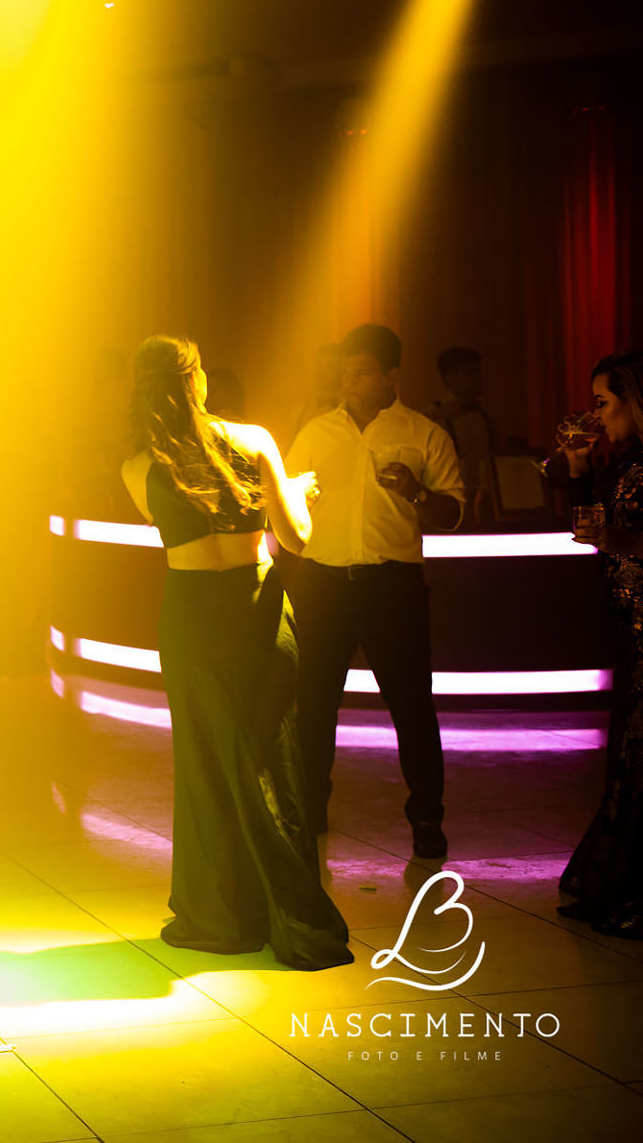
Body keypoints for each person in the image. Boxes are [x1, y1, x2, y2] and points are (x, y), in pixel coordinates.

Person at [121, 336, 352, 971]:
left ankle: (221, 915)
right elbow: (295, 539)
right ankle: (297, 920)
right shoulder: (254, 440)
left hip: (192, 619)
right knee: (273, 761)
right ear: (197, 380)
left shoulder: (137, 467)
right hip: (258, 612)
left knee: (204, 764)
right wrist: (296, 496)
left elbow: (172, 522)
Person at [287, 324, 465, 860]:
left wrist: (415, 492)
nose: (349, 381)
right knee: (313, 703)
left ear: (392, 376)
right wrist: (297, 499)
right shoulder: (315, 431)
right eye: (345, 372)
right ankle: (308, 809)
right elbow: (284, 503)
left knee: (411, 706)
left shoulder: (425, 433)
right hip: (323, 582)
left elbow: (454, 513)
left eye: (361, 372)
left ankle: (427, 818)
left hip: (393, 585)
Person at [559, 350, 643, 939]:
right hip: (628, 622)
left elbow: (621, 535)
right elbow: (594, 525)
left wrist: (614, 538)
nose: (598, 414)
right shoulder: (626, 461)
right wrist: (577, 469)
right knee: (630, 752)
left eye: (604, 402)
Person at [429, 346, 499, 527]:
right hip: (452, 505)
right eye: (472, 373)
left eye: (479, 372)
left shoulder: (484, 412)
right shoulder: (433, 419)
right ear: (451, 377)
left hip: (485, 503)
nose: (480, 378)